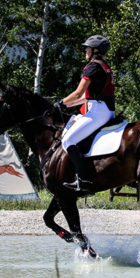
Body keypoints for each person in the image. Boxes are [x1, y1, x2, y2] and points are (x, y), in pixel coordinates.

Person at [56, 35, 115, 195]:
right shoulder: (104, 66)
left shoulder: (92, 67)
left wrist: (60, 103)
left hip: (97, 112)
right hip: (106, 110)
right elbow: (85, 97)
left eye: (88, 48)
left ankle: (83, 180)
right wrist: (64, 104)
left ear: (95, 51)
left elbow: (78, 93)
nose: (86, 50)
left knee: (68, 140)